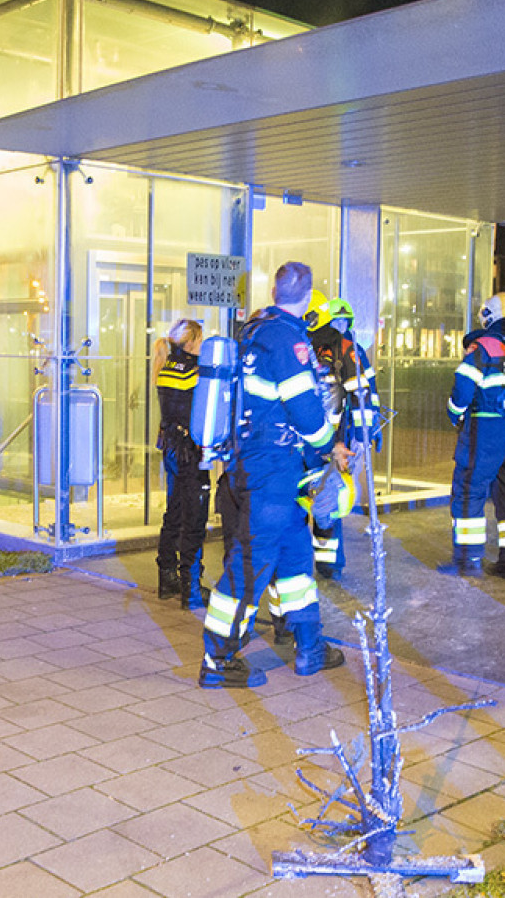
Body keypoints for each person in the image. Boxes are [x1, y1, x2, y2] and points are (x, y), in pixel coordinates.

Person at [201, 261, 351, 689]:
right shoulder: (287, 337)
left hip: (253, 464)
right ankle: (217, 660)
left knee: (296, 555)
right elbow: (304, 408)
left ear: (273, 291)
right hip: (272, 468)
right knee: (251, 562)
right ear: (307, 296)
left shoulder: (252, 329)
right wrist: (329, 446)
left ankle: (309, 647)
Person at [448, 292, 505, 581]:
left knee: (470, 489)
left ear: (488, 316)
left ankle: (468, 560)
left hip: (486, 431)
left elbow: (462, 389)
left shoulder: (483, 347)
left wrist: (454, 413)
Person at [301, 290, 380, 581]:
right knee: (312, 498)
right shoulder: (309, 345)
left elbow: (363, 395)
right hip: (321, 441)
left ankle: (327, 564)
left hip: (330, 443)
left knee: (324, 499)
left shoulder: (342, 348)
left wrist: (361, 437)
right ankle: (317, 563)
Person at [152, 319, 210, 609]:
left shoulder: (166, 369)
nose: (204, 344)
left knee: (173, 511)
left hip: (171, 449)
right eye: (201, 339)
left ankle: (167, 578)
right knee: (194, 518)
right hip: (192, 452)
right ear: (190, 342)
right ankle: (191, 587)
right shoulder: (195, 372)